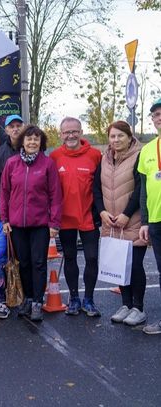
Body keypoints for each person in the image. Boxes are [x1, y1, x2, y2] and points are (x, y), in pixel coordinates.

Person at [0, 125, 62, 322]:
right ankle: (26, 298)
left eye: (36, 139)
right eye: (29, 139)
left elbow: (56, 195)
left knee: (38, 263)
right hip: (16, 224)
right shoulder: (12, 163)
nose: (32, 142)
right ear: (22, 142)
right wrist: (5, 219)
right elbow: (4, 193)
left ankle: (37, 301)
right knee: (23, 263)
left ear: (41, 142)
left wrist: (54, 223)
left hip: (40, 225)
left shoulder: (48, 164)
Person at [93, 121, 147, 326]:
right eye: (112, 136)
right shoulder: (105, 158)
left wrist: (126, 214)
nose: (116, 140)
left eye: (120, 136)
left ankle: (138, 308)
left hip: (132, 221)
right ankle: (126, 304)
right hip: (111, 222)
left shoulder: (139, 155)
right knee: (120, 266)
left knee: (134, 266)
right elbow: (96, 188)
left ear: (129, 136)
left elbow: (141, 188)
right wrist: (102, 212)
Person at [50, 117, 102, 317]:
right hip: (65, 219)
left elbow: (101, 186)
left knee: (91, 258)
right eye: (66, 132)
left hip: (89, 217)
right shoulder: (54, 157)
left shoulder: (95, 155)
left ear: (81, 132)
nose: (70, 135)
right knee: (70, 257)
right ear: (60, 134)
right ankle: (73, 298)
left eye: (74, 131)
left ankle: (88, 299)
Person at [138, 97, 161, 334]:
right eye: (155, 114)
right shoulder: (147, 150)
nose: (159, 117)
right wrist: (144, 221)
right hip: (156, 220)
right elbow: (144, 189)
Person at [0, 115, 24, 207]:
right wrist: (3, 198)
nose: (15, 129)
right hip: (10, 203)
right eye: (12, 126)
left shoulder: (31, 148)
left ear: (23, 127)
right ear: (6, 130)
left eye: (18, 126)